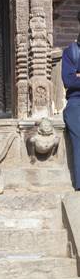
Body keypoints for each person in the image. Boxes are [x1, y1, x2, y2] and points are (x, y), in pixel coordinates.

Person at [62, 10, 80, 190]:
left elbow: (76, 78)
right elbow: (69, 80)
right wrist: (75, 77)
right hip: (77, 102)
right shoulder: (71, 52)